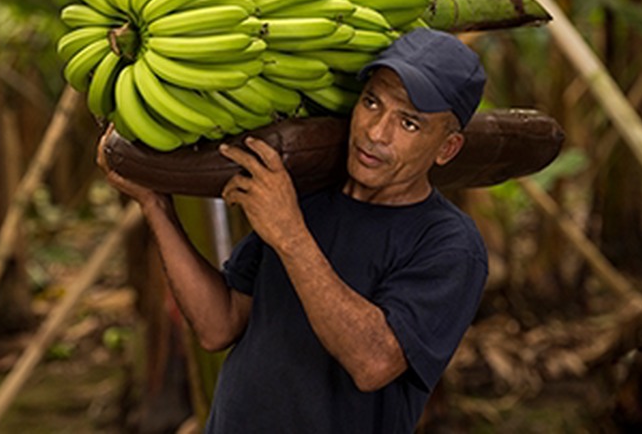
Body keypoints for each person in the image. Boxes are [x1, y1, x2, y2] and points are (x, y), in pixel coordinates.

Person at [98, 28, 489, 433]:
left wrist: (289, 234)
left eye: (408, 123)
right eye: (371, 102)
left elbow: (374, 362)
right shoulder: (305, 197)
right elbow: (220, 325)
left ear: (447, 148)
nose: (376, 132)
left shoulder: (450, 245)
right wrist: (156, 205)